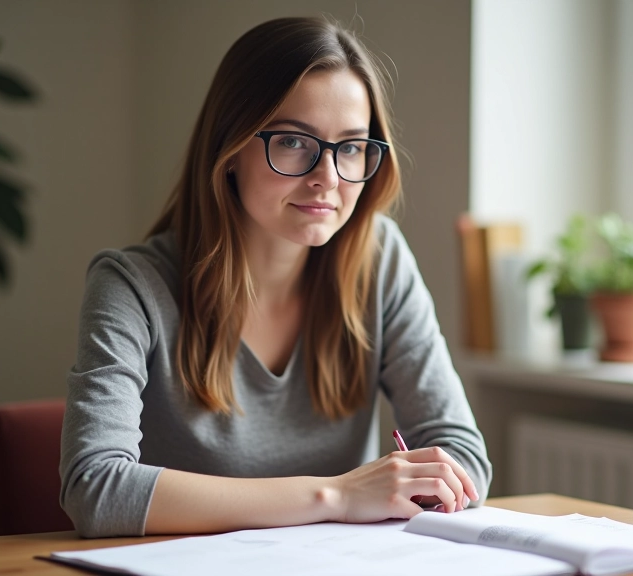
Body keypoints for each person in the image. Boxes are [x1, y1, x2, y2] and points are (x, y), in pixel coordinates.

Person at [59, 16, 492, 538]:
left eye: (351, 147)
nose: (327, 179)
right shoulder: (131, 286)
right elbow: (96, 489)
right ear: (230, 149)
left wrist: (423, 485)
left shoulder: (379, 260)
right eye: (293, 142)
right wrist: (337, 495)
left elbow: (463, 455)